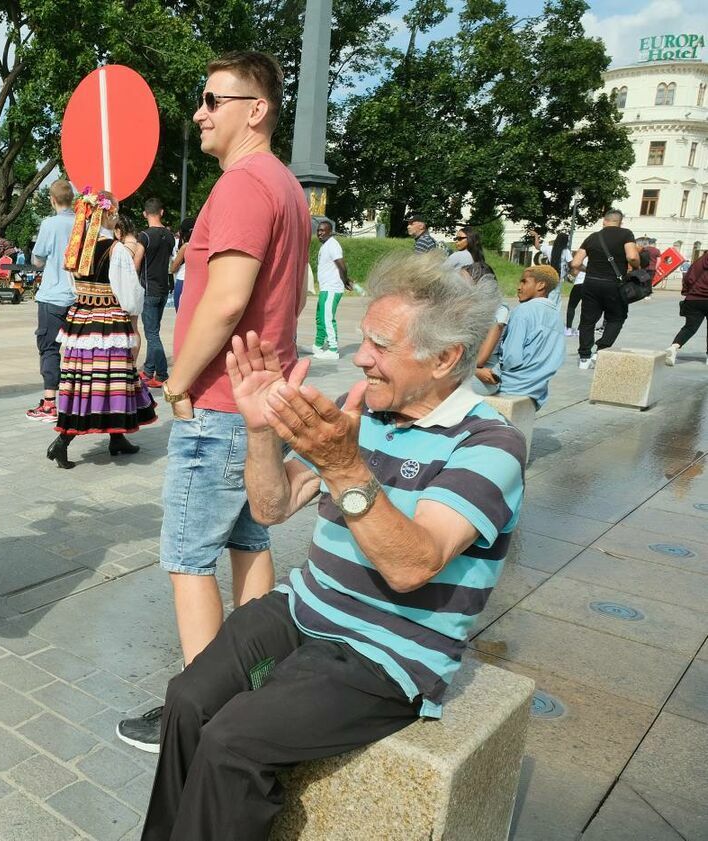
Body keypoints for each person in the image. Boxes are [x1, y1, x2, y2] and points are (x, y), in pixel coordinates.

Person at [141, 251, 525, 841]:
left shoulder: (490, 445)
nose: (361, 357)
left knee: (232, 743)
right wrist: (261, 431)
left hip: (388, 652)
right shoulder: (366, 414)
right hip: (304, 607)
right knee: (187, 700)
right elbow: (271, 508)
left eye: (379, 344)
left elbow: (412, 565)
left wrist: (345, 466)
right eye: (362, 339)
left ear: (446, 357)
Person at [117, 51, 311, 753]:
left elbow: (226, 300)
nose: (198, 112)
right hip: (260, 402)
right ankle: (256, 689)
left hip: (224, 401)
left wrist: (174, 380)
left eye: (211, 99)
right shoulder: (285, 186)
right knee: (248, 539)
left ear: (255, 108)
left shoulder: (241, 184)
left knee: (187, 556)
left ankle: (196, 717)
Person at [47, 202, 156, 468]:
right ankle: (62, 441)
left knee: (84, 381)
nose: (116, 219)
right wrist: (133, 313)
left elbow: (75, 287)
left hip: (82, 322)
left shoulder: (77, 249)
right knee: (111, 378)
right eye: (115, 214)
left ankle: (116, 438)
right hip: (108, 322)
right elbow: (128, 292)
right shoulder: (115, 250)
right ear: (105, 215)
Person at [475, 265, 565, 408]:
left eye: (524, 282)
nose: (519, 287)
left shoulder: (523, 311)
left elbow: (512, 358)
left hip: (512, 386)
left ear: (541, 285)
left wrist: (480, 372)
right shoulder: (556, 316)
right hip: (537, 390)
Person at [27, 180, 78, 421]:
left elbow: (38, 259)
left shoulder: (50, 224)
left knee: (49, 347)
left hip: (52, 294)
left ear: (52, 199)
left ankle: (49, 402)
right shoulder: (82, 222)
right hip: (77, 295)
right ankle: (76, 399)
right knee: (77, 349)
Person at [570, 208, 640, 369]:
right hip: (614, 284)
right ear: (620, 222)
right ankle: (600, 351)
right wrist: (636, 267)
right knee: (616, 318)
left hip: (591, 283)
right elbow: (632, 256)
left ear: (604, 221)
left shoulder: (593, 237)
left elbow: (575, 263)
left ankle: (584, 358)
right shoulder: (626, 234)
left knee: (587, 321)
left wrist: (588, 270)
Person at [138, 197, 174, 387]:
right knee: (155, 332)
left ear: (145, 214)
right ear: (162, 212)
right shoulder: (169, 236)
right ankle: (149, 370)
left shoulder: (144, 236)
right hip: (163, 289)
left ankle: (161, 374)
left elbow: (137, 262)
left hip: (148, 289)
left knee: (151, 334)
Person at [311, 220, 350, 360]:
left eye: (323, 230)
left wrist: (345, 281)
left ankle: (333, 349)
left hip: (332, 288)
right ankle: (318, 345)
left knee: (327, 318)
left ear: (330, 231)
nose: (320, 233)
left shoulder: (333, 245)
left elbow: (342, 266)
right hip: (325, 288)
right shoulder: (326, 245)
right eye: (318, 231)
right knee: (320, 318)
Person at [666, 250, 708, 365]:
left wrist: (689, 292)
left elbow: (688, 278)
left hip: (694, 299)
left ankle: (674, 347)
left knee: (689, 327)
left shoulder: (699, 262)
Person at [170, 217, 196, 310]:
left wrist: (173, 260)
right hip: (196, 282)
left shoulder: (186, 246)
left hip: (182, 281)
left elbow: (173, 268)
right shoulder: (203, 245)